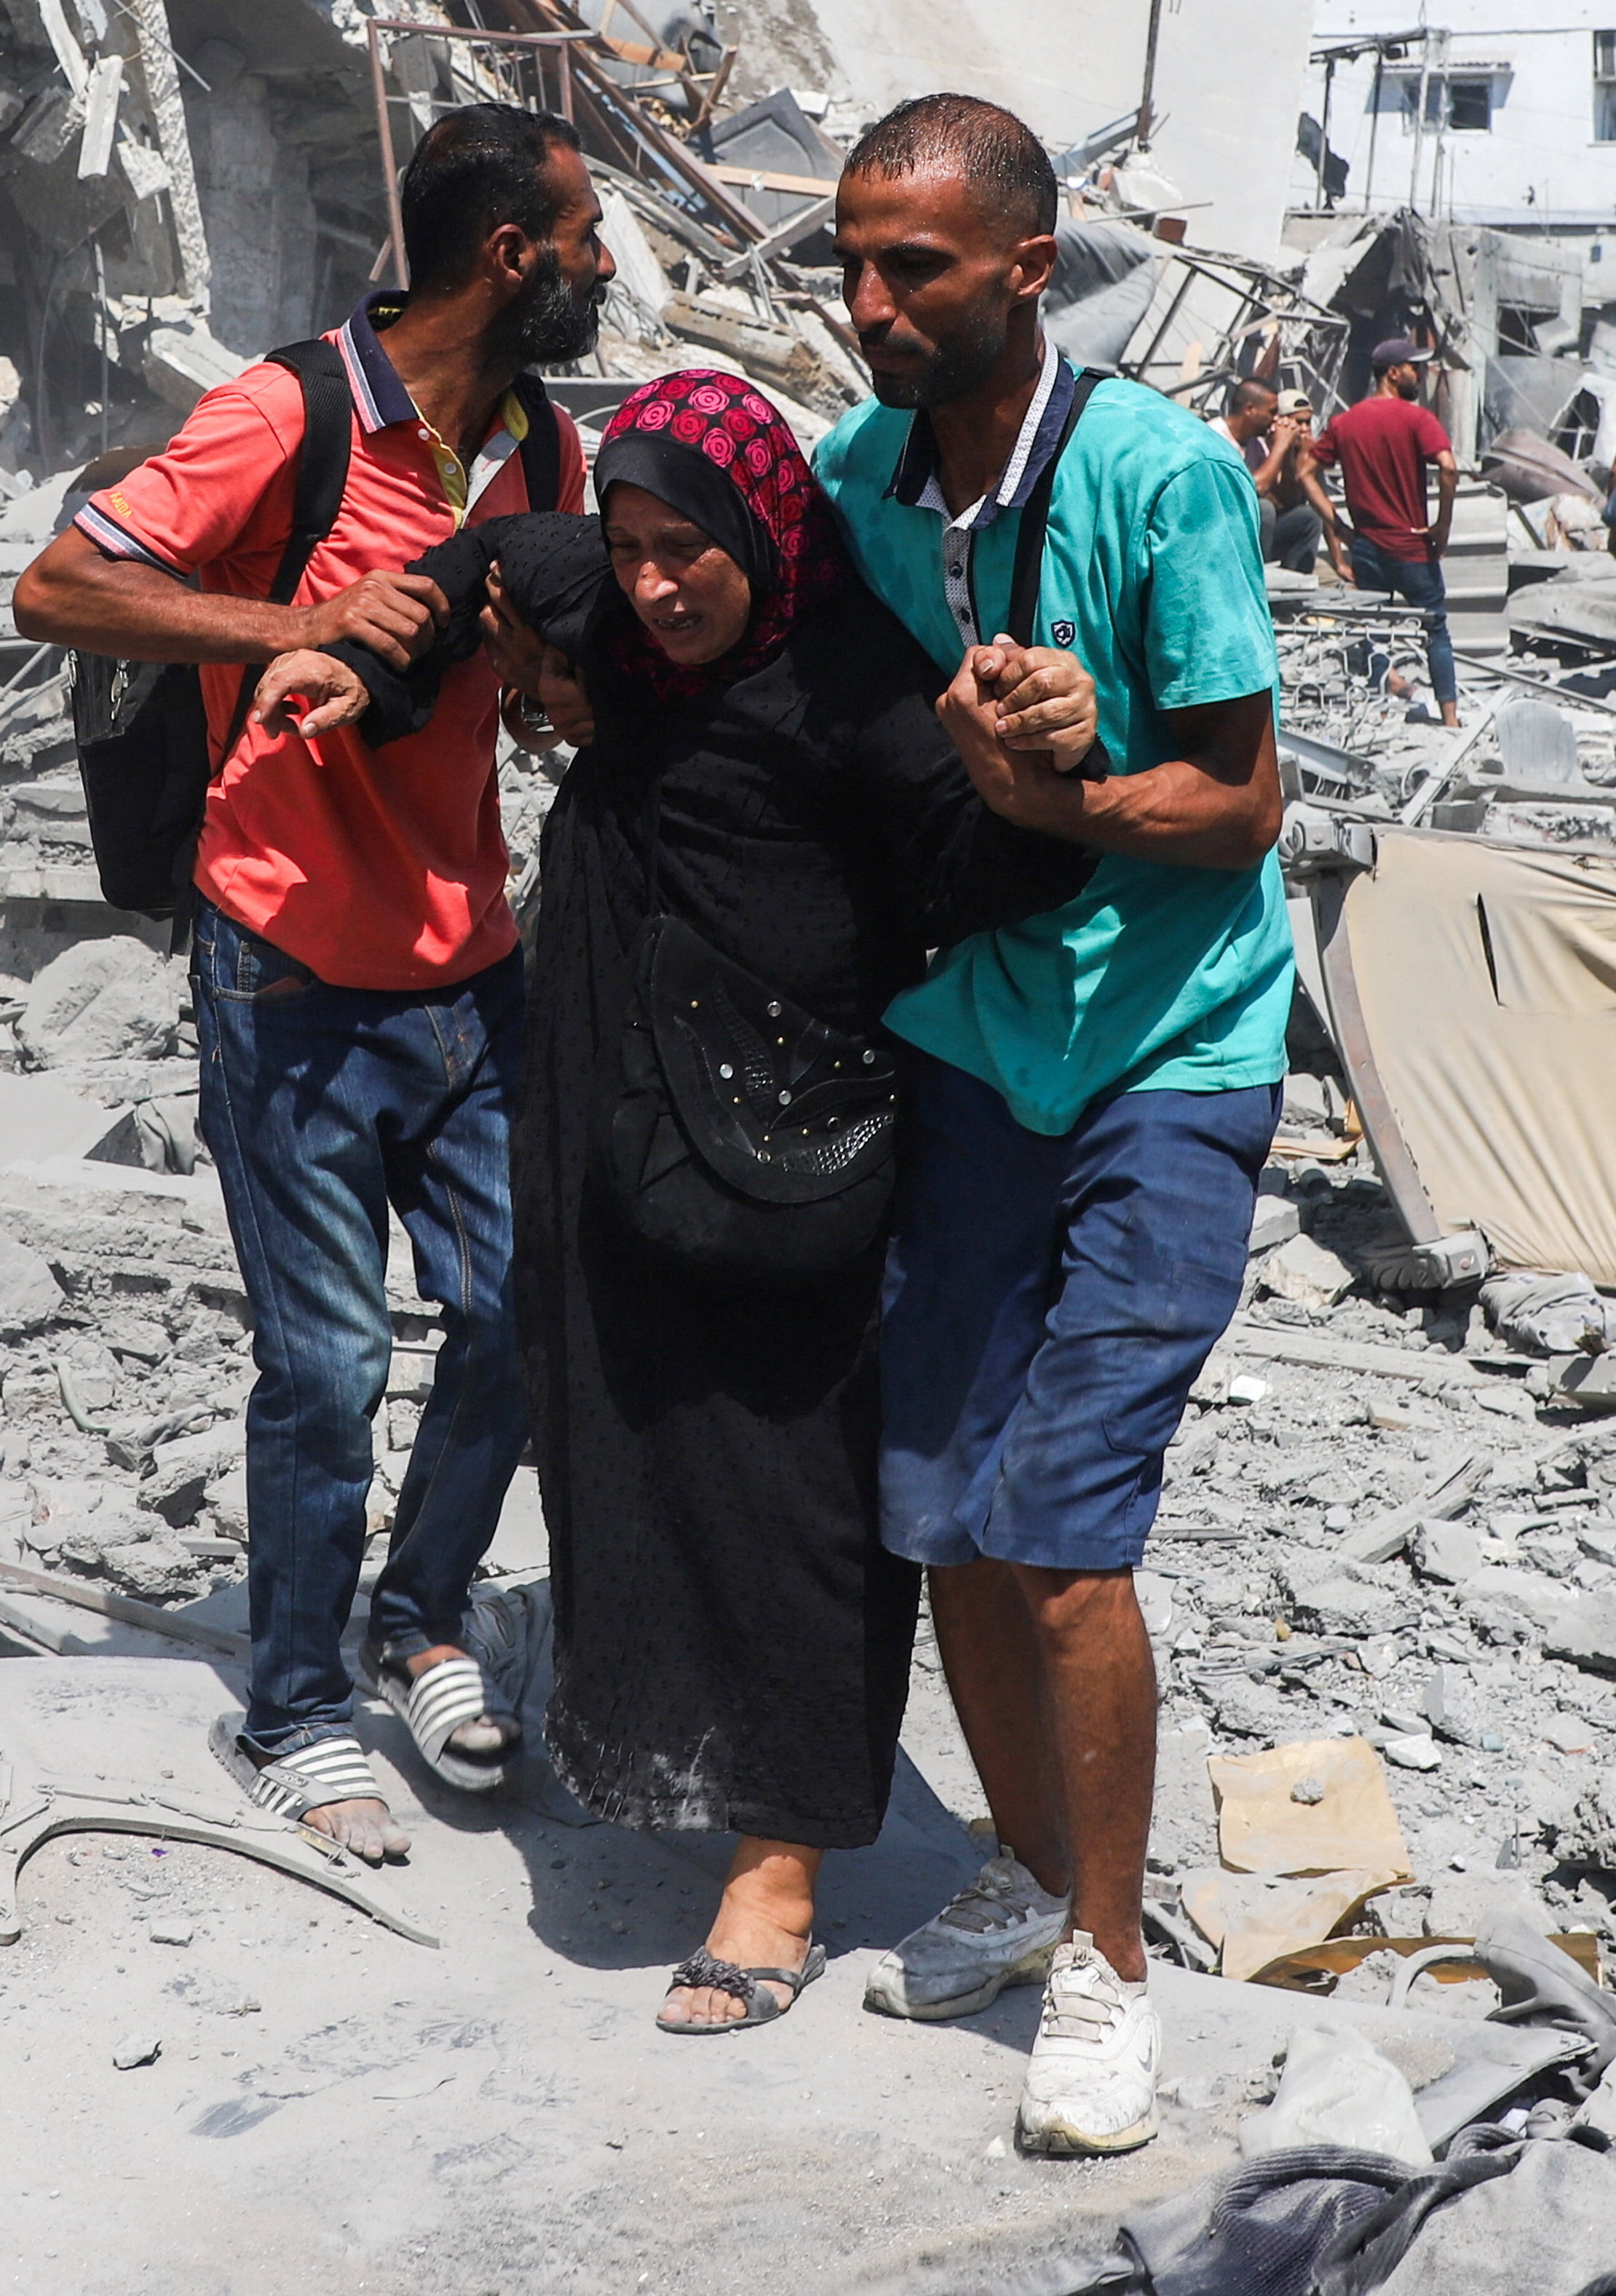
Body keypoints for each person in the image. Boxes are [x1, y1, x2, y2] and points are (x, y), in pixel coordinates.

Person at [250, 370, 1101, 2040]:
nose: (652, 582)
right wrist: (369, 655)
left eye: (688, 546)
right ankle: (655, 1768)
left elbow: (1027, 855)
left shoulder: (859, 687)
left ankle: (774, 1872)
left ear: (761, 531)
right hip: (606, 1130)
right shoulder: (615, 617)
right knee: (629, 1471)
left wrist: (1048, 748)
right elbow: (494, 561)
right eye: (634, 545)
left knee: (787, 1505)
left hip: (790, 1157)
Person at [10, 104, 597, 1862]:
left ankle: (415, 1615)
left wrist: (550, 689)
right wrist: (285, 629)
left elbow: (538, 695)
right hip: (284, 969)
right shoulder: (286, 413)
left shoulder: (542, 455)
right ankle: (287, 1711)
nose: (601, 263)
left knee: (517, 1319)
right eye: (579, 234)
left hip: (471, 968)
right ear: (506, 255)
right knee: (326, 1365)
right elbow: (57, 583)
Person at [815, 93, 1291, 2160]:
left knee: (1067, 1517)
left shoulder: (1159, 475)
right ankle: (1019, 1856)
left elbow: (1245, 800)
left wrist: (1061, 796)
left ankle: (1108, 1957)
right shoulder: (855, 478)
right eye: (846, 259)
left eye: (910, 263)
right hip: (970, 1039)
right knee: (942, 1507)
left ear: (1027, 267)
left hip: (1168, 1045)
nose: (867, 302)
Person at [1320, 338, 1464, 725]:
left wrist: (1336, 525)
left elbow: (1305, 469)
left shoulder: (1344, 422)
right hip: (1411, 547)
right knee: (1435, 629)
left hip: (1368, 547)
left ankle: (1378, 712)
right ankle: (1450, 719)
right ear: (1392, 373)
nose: (1419, 375)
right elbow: (1449, 468)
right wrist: (1442, 526)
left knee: (1373, 629)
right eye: (1413, 368)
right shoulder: (1417, 419)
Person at [1217, 378, 1326, 573]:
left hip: (1248, 529)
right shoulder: (1216, 437)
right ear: (1250, 409)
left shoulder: (1254, 444)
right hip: (1221, 532)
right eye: (1272, 412)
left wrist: (1289, 456)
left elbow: (1288, 500)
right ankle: (1260, 583)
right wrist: (1280, 445)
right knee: (1264, 509)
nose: (1276, 419)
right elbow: (1256, 488)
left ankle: (1294, 585)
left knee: (1307, 518)